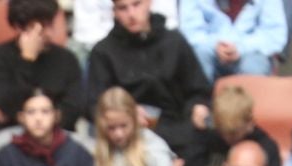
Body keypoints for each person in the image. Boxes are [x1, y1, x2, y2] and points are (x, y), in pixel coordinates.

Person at [86, 0, 213, 156]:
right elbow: (95, 105)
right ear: (114, 12)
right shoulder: (103, 52)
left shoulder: (174, 42)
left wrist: (199, 106)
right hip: (130, 138)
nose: (131, 14)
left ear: (148, 3)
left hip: (180, 130)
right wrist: (124, 113)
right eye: (123, 8)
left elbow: (199, 89)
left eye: (136, 4)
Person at [0, 0, 83, 132]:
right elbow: (8, 107)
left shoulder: (67, 58)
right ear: (20, 27)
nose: (50, 33)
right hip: (13, 133)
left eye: (51, 25)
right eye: (43, 27)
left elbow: (72, 110)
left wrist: (36, 120)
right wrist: (27, 60)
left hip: (59, 133)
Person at [179, 81, 283, 166]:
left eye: (234, 133)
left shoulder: (266, 147)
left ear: (250, 122)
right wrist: (199, 134)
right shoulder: (207, 138)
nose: (228, 138)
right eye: (223, 132)